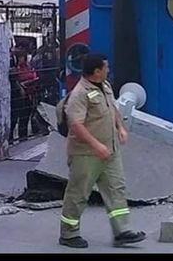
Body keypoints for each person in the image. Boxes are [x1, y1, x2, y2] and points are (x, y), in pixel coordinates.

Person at [59, 53, 145, 249]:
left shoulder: (104, 86)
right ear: (96, 71)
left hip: (110, 151)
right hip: (86, 154)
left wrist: (120, 128)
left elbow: (112, 108)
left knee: (116, 188)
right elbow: (76, 125)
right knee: (78, 193)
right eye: (105, 67)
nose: (108, 70)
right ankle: (69, 233)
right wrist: (96, 145)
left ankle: (122, 231)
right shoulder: (80, 94)